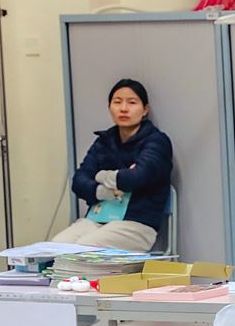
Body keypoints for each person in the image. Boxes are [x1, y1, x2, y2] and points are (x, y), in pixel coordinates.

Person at [53, 78, 172, 252]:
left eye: (132, 102)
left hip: (136, 223)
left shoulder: (157, 141)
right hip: (97, 219)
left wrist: (101, 176)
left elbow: (137, 177)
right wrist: (103, 191)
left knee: (82, 250)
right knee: (54, 247)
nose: (123, 108)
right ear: (110, 107)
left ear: (145, 109)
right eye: (117, 102)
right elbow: (79, 181)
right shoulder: (104, 141)